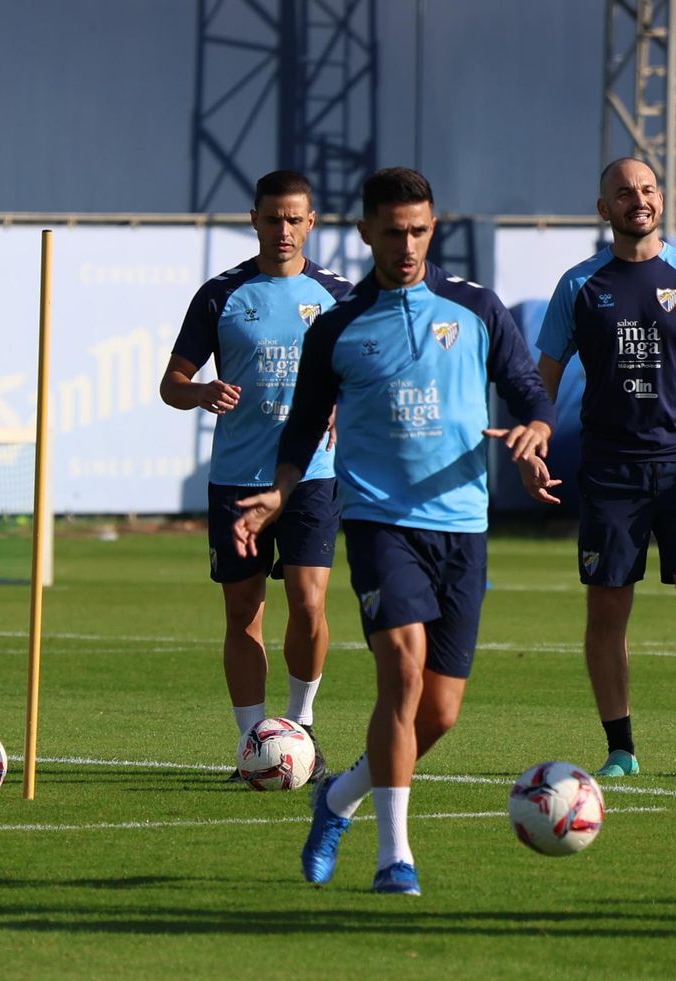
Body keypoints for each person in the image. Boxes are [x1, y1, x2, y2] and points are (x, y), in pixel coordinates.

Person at [235, 167, 555, 896]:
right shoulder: (341, 325)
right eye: (392, 232)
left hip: (462, 526)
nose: (407, 245)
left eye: (418, 231)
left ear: (432, 228)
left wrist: (537, 428)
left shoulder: (475, 307)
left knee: (438, 712)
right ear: (365, 233)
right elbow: (306, 423)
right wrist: (281, 492)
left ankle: (338, 796)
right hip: (381, 521)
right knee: (402, 673)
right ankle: (394, 858)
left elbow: (529, 386)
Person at [530, 157, 676, 780]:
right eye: (625, 192)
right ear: (604, 209)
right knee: (607, 610)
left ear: (662, 199)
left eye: (649, 189)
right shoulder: (579, 285)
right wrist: (535, 442)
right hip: (609, 474)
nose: (640, 200)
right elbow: (542, 377)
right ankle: (620, 748)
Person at [160, 170, 354, 779]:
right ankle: (254, 746)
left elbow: (370, 372)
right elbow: (171, 385)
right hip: (238, 478)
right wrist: (201, 391)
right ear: (254, 219)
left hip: (310, 477)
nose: (284, 230)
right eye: (273, 218)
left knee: (309, 600)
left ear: (312, 222)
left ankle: (302, 726)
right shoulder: (221, 294)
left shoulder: (338, 294)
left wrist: (345, 408)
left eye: (295, 219)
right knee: (244, 611)